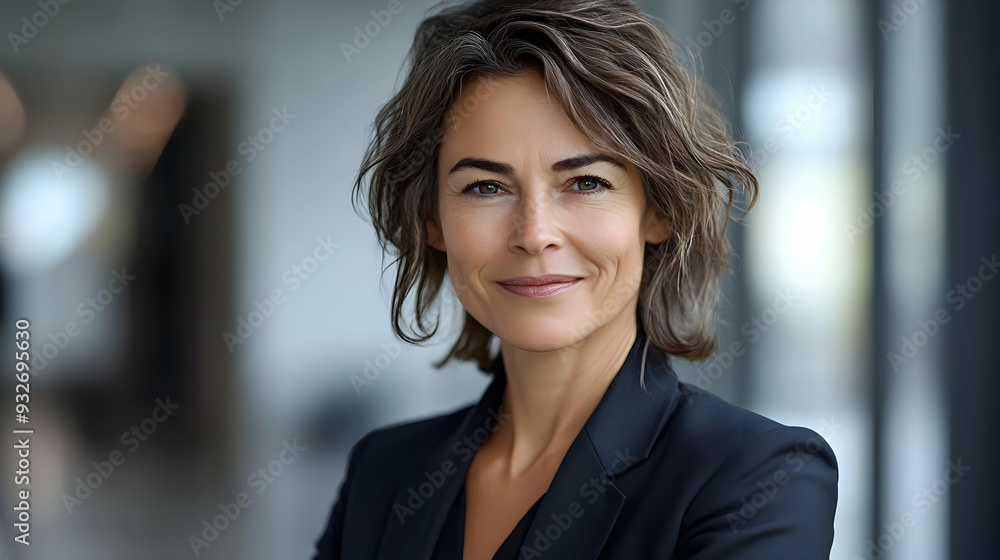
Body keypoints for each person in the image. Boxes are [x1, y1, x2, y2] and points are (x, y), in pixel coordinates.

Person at [313, 0, 838, 558]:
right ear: (432, 220)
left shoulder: (759, 478)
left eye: (586, 183)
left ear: (657, 210)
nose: (535, 234)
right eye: (485, 187)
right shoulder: (383, 470)